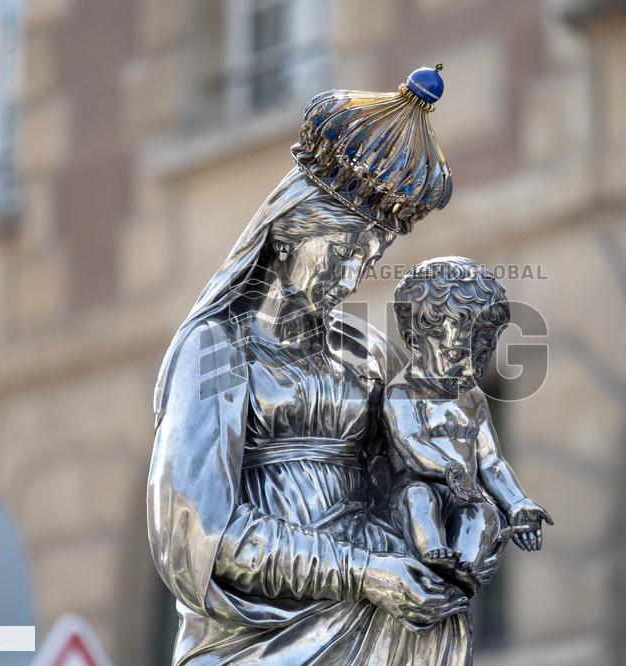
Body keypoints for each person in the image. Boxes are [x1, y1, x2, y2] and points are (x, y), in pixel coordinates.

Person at [147, 68, 494, 664]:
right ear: (288, 231)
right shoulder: (217, 350)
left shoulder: (366, 355)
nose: (353, 276)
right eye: (341, 252)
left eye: (370, 257)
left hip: (380, 621)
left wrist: (466, 513)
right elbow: (198, 532)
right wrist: (363, 572)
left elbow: (410, 474)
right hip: (264, 637)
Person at [384, 258, 553, 595]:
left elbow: (492, 461)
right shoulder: (402, 392)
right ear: (416, 339)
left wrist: (517, 503)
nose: (469, 369)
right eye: (457, 354)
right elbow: (410, 441)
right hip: (419, 487)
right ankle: (432, 550)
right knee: (419, 499)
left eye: (481, 357)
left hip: (466, 496)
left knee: (484, 515)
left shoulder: (473, 399)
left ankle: (464, 568)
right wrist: (446, 467)